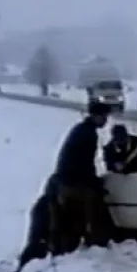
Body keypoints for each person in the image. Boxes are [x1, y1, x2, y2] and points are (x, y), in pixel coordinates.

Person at [49, 101, 111, 252]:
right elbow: (84, 162)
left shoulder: (81, 129)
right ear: (96, 116)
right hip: (73, 182)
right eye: (104, 117)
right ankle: (73, 248)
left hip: (66, 179)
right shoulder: (88, 134)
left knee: (70, 218)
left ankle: (67, 247)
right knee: (80, 214)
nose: (106, 120)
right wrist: (95, 182)